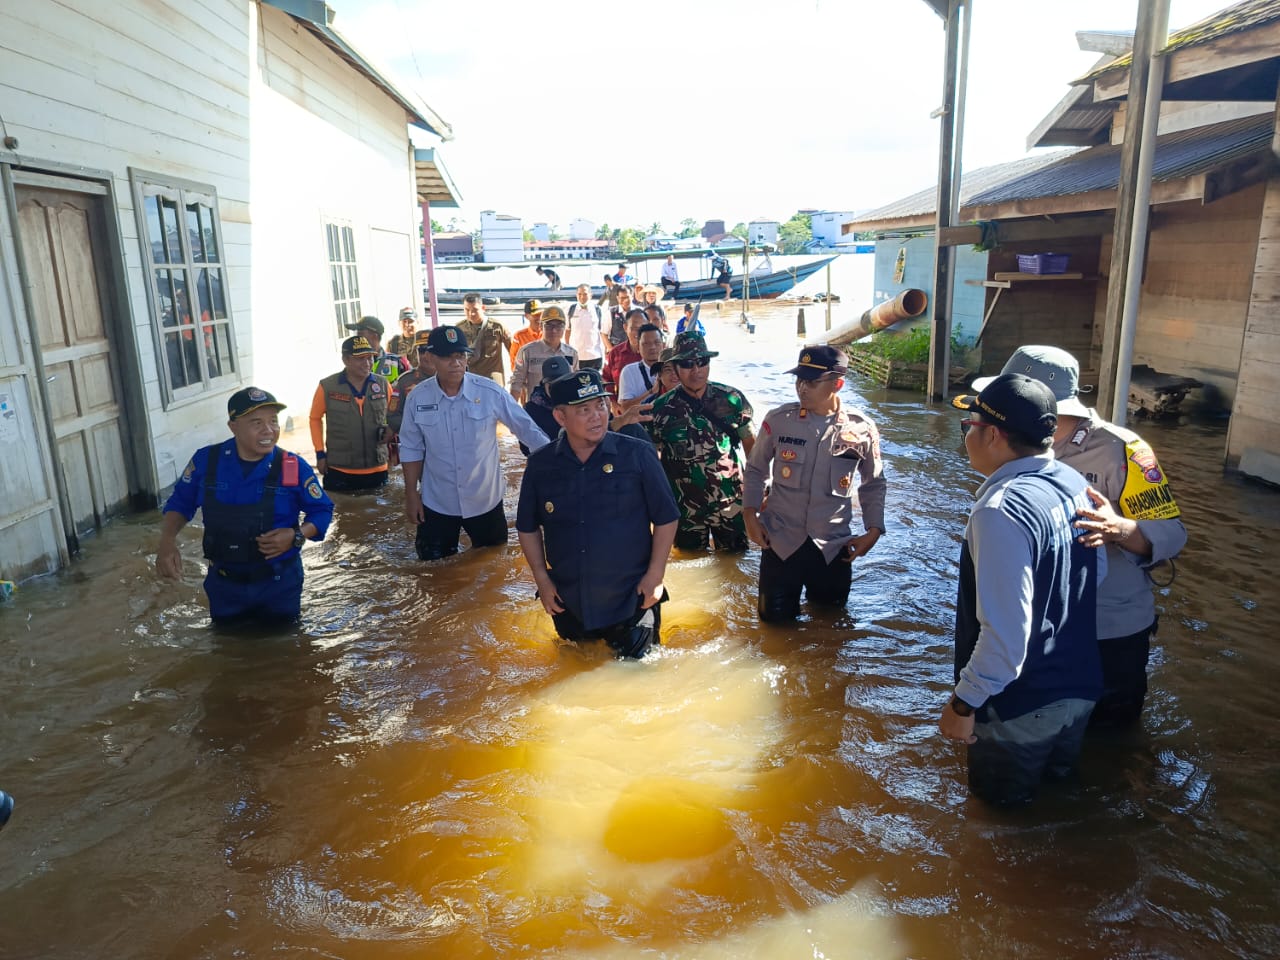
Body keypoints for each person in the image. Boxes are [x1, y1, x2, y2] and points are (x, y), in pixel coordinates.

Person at [973, 345, 1186, 729]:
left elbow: (1173, 533)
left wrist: (1118, 529)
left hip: (1112, 629)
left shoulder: (1124, 451)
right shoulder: (1009, 444)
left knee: (1113, 740)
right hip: (1041, 633)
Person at [943, 373, 1103, 806]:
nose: (966, 436)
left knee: (997, 829)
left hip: (1020, 705)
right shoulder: (1074, 483)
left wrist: (962, 704)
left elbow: (1005, 637)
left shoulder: (999, 511)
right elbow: (1097, 574)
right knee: (1053, 811)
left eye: (967, 426)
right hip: (1079, 687)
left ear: (992, 434)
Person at [517, 368, 679, 658]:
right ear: (560, 417)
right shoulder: (542, 465)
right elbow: (527, 526)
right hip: (569, 601)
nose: (597, 415)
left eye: (601, 405)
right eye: (584, 409)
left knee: (637, 682)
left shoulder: (638, 455)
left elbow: (667, 517)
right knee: (575, 673)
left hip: (633, 599)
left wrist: (655, 575)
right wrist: (541, 578)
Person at [156, 387, 333, 624]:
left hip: (280, 584)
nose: (268, 430)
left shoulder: (291, 466)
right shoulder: (207, 462)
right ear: (233, 426)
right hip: (224, 585)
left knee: (285, 649)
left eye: (273, 421)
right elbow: (180, 504)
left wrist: (297, 535)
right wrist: (167, 543)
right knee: (226, 650)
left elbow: (322, 510)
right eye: (256, 423)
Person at [743, 346, 887, 622]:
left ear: (838, 384)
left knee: (830, 630)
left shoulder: (862, 428)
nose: (801, 388)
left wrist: (874, 529)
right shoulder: (778, 421)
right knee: (772, 629)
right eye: (798, 380)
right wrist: (749, 514)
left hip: (832, 549)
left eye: (810, 382)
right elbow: (755, 470)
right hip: (780, 543)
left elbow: (874, 483)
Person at [399, 325, 551, 560]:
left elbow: (528, 431)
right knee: (432, 574)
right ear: (430, 357)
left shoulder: (490, 392)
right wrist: (411, 494)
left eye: (460, 355)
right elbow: (410, 448)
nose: (456, 363)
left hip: (485, 501)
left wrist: (556, 472)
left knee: (494, 565)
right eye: (447, 357)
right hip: (437, 502)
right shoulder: (418, 398)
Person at [647, 332, 755, 552]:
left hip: (730, 504)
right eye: (687, 364)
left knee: (737, 562)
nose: (696, 371)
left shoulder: (732, 399)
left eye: (702, 362)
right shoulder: (660, 410)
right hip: (686, 511)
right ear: (675, 368)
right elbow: (649, 461)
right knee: (690, 561)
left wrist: (758, 490)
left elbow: (752, 445)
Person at [309, 335, 391, 491]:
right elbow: (314, 419)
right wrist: (320, 454)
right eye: (360, 359)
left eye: (370, 358)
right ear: (346, 360)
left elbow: (393, 416)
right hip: (340, 470)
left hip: (378, 468)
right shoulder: (327, 386)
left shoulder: (382, 384)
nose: (367, 363)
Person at [509, 304, 578, 404]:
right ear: (541, 326)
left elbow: (575, 383)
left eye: (559, 326)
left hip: (565, 410)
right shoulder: (527, 351)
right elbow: (517, 382)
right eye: (549, 326)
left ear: (565, 328)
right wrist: (512, 410)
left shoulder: (571, 353)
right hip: (537, 409)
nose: (554, 330)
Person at [457, 292, 512, 385]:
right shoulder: (459, 329)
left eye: (475, 310)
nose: (471, 313)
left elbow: (513, 351)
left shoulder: (497, 326)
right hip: (469, 379)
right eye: (467, 310)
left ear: (483, 308)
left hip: (492, 379)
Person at [387, 330, 436, 434]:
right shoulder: (405, 381)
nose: (427, 355)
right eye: (422, 350)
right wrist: (415, 431)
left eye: (432, 350)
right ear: (416, 353)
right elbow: (393, 416)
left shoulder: (451, 379)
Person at [346, 315, 408, 385]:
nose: (357, 338)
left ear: (374, 336)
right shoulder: (354, 363)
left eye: (360, 334)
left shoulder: (398, 362)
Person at [617, 322, 666, 409]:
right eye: (646, 344)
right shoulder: (629, 372)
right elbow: (624, 408)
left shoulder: (673, 369)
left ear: (663, 345)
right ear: (638, 348)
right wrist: (652, 391)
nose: (652, 347)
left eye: (657, 342)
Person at [602, 308, 646, 400]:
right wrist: (613, 402)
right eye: (634, 328)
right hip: (623, 409)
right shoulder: (615, 353)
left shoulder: (656, 353)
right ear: (625, 327)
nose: (638, 332)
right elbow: (606, 380)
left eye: (643, 328)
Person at [566, 283, 608, 371]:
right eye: (579, 294)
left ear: (590, 295)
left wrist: (605, 353)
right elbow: (567, 331)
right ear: (576, 295)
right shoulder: (571, 310)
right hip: (576, 356)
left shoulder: (598, 310)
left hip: (595, 356)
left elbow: (602, 332)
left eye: (585, 294)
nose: (582, 297)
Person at [510, 299, 543, 369]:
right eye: (535, 314)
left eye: (541, 314)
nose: (539, 317)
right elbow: (514, 361)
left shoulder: (551, 333)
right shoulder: (519, 336)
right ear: (526, 316)